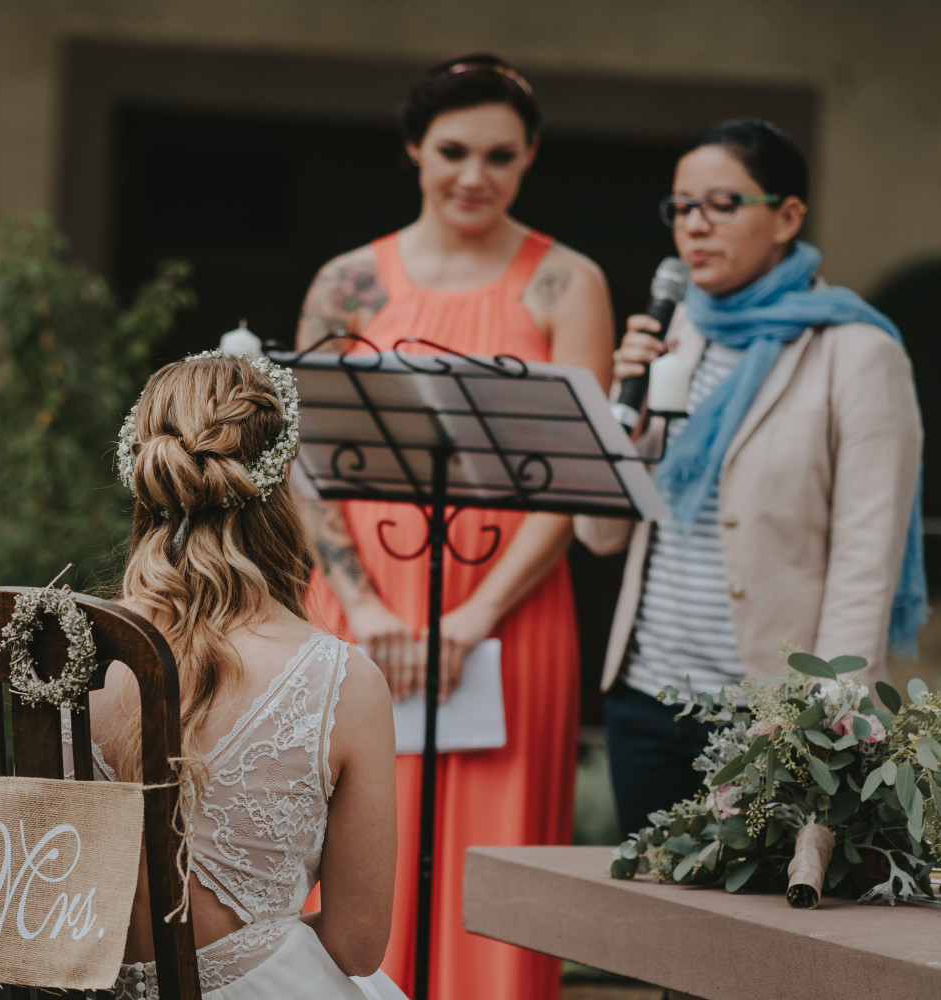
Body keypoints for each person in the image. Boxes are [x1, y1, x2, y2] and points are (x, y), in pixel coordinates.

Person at [295, 54, 613, 1000]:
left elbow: (574, 480)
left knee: (495, 868)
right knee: (349, 852)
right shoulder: (347, 281)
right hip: (359, 608)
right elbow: (305, 461)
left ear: (530, 157)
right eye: (453, 151)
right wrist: (361, 606)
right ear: (414, 149)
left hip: (509, 618)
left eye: (500, 156)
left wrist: (473, 618)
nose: (475, 175)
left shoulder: (568, 283)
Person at [578, 118, 925, 839]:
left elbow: (867, 554)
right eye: (681, 206)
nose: (694, 225)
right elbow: (600, 532)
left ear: (788, 216)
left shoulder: (857, 352)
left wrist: (827, 716)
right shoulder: (675, 334)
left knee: (758, 910)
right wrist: (624, 412)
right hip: (648, 696)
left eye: (721, 204)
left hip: (769, 713)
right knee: (646, 907)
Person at [87, 352, 404, 999]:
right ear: (282, 478)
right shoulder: (343, 683)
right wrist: (260, 944)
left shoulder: (73, 652)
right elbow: (357, 945)